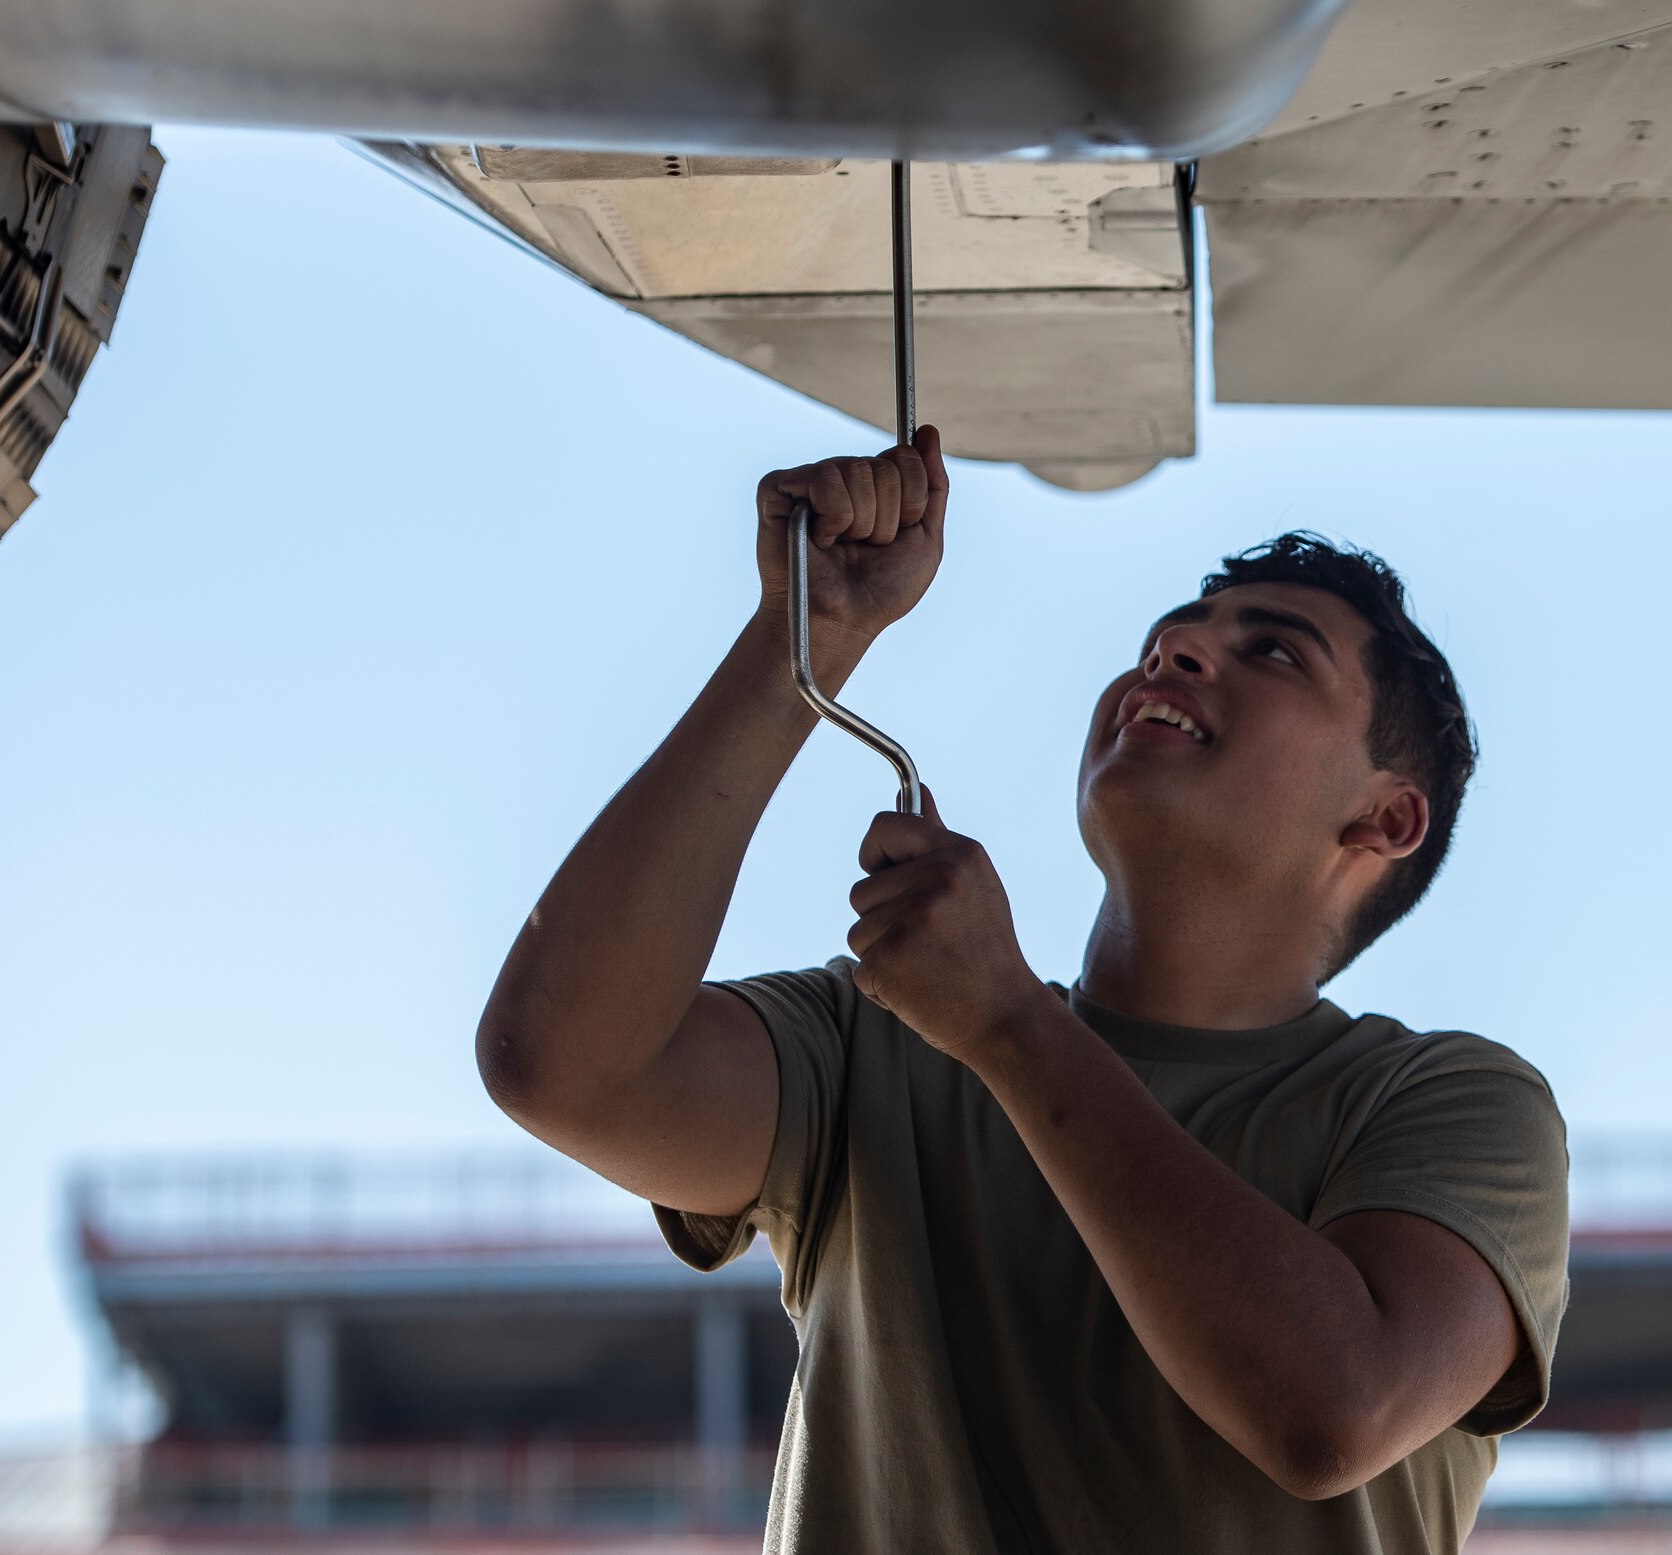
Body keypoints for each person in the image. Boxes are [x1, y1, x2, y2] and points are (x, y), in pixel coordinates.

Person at [476, 428, 1568, 1554]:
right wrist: (801, 640)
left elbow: (1328, 1408)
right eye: (1166, 640)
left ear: (1384, 818)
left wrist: (1007, 1021)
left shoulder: (1454, 1104)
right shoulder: (875, 1040)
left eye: (1274, 654)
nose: (1176, 654)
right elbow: (556, 1066)